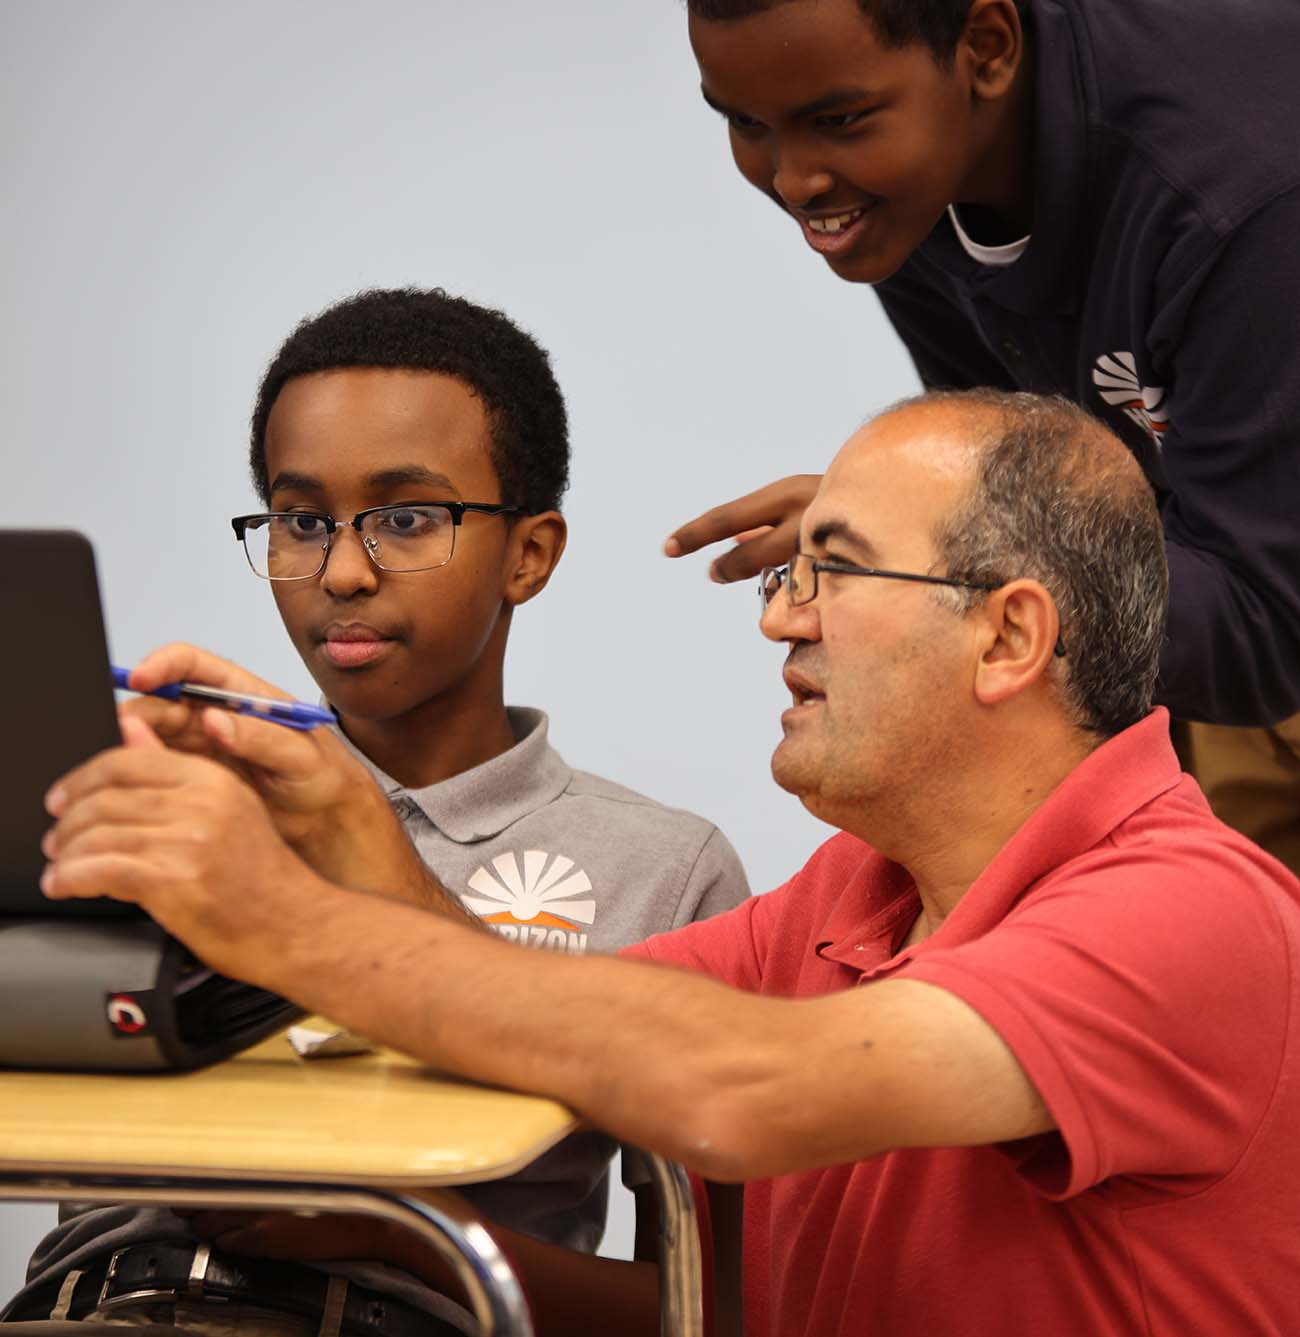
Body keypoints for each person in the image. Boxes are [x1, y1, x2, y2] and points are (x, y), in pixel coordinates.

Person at [31, 389, 1300, 1335]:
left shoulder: (1189, 909)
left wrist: (278, 914)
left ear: (1009, 633)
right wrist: (341, 824)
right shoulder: (854, 895)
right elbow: (539, 1025)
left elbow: (740, 1091)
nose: (777, 612)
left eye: (831, 569)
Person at [3, 288, 749, 1337]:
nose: (342, 571)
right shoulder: (164, 800)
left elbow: (712, 1308)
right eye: (301, 520)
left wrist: (396, 1228)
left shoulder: (662, 867)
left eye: (406, 518)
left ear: (528, 553)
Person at [664, 0, 1300, 872]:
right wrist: (937, 536)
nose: (795, 180)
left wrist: (942, 553)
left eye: (839, 120)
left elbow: (1273, 630)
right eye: (744, 122)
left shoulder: (1237, 196)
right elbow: (1036, 483)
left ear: (988, 48)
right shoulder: (911, 186)